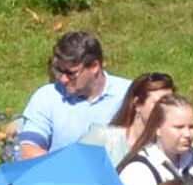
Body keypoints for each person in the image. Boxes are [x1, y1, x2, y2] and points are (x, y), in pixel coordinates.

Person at [9, 28, 124, 160]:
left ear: (94, 66)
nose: (63, 79)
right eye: (59, 70)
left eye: (71, 73)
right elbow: (29, 150)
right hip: (59, 172)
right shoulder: (47, 97)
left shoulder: (129, 95)